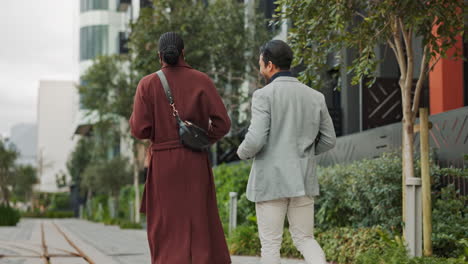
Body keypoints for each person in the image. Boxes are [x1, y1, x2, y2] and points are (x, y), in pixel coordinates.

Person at [129, 32, 231, 264]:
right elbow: (223, 123)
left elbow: (139, 130)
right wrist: (202, 139)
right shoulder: (202, 80)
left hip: (163, 163)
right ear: (183, 52)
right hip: (195, 160)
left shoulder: (147, 84)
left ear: (159, 56)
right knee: (200, 220)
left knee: (165, 224)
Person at [237, 40, 336, 264]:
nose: (259, 66)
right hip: (303, 180)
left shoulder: (263, 96)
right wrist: (306, 154)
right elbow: (329, 140)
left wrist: (242, 152)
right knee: (305, 239)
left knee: (271, 245)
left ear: (270, 65)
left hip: (271, 182)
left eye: (260, 62)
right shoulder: (315, 96)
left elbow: (255, 139)